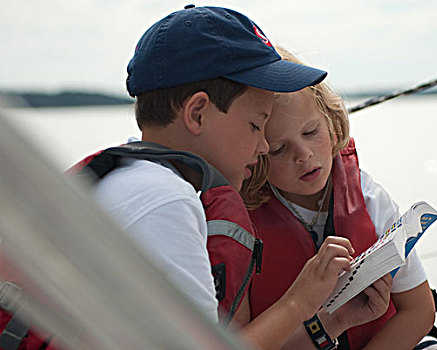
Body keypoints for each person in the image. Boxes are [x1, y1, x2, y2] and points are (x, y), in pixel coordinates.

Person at [65, 5, 392, 350]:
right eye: (255, 125)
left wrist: (334, 319)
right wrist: (299, 301)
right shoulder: (165, 202)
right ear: (197, 113)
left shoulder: (127, 179)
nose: (264, 146)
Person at [241, 47, 436, 350]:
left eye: (310, 131)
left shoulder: (371, 200)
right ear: (257, 156)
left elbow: (419, 311)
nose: (303, 154)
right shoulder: (242, 223)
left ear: (332, 124)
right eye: (279, 149)